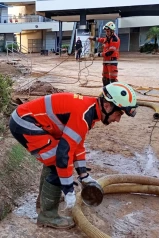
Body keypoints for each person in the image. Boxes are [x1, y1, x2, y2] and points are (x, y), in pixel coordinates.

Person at [9, 82, 138, 229]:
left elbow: (77, 144)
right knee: (58, 164)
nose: (118, 119)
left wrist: (83, 175)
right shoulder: (83, 115)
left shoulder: (89, 110)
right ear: (108, 106)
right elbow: (63, 155)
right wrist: (69, 190)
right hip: (25, 124)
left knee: (55, 161)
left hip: (25, 119)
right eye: (118, 114)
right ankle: (47, 215)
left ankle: (43, 201)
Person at [89, 21, 120, 86]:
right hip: (106, 61)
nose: (106, 32)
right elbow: (102, 40)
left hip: (112, 62)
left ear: (112, 31)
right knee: (105, 78)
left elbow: (109, 53)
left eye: (108, 31)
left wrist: (98, 54)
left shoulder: (115, 39)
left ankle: (114, 94)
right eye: (106, 31)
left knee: (113, 80)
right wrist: (94, 38)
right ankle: (105, 92)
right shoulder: (107, 38)